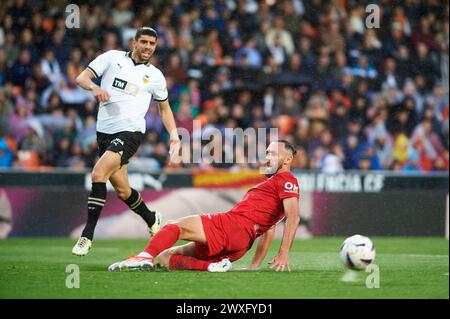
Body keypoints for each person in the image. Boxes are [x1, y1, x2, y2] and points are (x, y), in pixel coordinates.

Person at [108, 140, 300, 272]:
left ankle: (143, 257)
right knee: (166, 258)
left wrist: (283, 253)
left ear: (287, 160)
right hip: (239, 246)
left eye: (273, 153)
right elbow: (269, 230)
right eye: (266, 152)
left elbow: (294, 217)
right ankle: (212, 267)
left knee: (175, 226)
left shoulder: (286, 179)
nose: (267, 157)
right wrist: (254, 266)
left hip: (231, 227)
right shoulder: (273, 187)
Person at [72, 27, 181, 256]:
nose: (148, 47)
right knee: (123, 191)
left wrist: (173, 134)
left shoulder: (156, 76)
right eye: (144, 42)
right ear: (134, 42)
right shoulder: (111, 59)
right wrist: (94, 87)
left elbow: (164, 108)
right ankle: (152, 218)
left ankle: (86, 236)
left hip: (130, 134)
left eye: (152, 44)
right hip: (104, 133)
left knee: (98, 174)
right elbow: (81, 77)